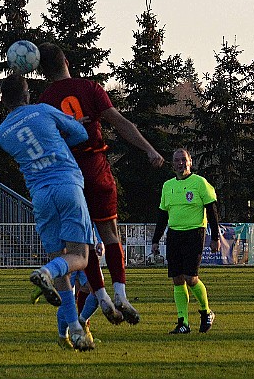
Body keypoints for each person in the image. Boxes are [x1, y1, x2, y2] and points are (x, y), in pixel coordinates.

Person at [38, 42, 165, 325]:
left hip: (69, 175)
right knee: (110, 232)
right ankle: (121, 293)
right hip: (96, 168)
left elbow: (48, 143)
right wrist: (149, 149)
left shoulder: (44, 101)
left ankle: (102, 296)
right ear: (67, 61)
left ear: (43, 72)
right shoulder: (89, 88)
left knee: (82, 243)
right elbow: (120, 123)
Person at [0, 73, 95, 351]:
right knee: (80, 257)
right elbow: (80, 134)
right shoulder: (42, 109)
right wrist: (67, 127)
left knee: (58, 257)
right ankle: (46, 272)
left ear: (4, 101)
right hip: (67, 184)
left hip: (40, 194)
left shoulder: (1, 133)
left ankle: (74, 330)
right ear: (27, 94)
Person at [151, 148, 220, 334]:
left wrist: (215, 237)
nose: (180, 163)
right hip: (174, 235)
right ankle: (183, 322)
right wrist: (156, 240)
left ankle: (206, 312)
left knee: (191, 278)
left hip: (195, 233)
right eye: (177, 160)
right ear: (172, 164)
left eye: (184, 160)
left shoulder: (199, 183)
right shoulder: (168, 186)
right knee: (177, 279)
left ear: (190, 162)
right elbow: (162, 215)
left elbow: (212, 211)